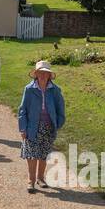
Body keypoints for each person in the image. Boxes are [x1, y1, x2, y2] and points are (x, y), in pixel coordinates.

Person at [17, 60, 65, 194]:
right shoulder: (29, 89)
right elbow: (22, 110)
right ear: (36, 74)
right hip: (32, 126)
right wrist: (23, 128)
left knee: (44, 154)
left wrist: (58, 123)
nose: (43, 75)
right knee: (32, 155)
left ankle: (40, 178)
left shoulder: (55, 90)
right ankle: (30, 181)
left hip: (48, 126)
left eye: (46, 73)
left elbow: (60, 108)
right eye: (40, 73)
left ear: (50, 75)